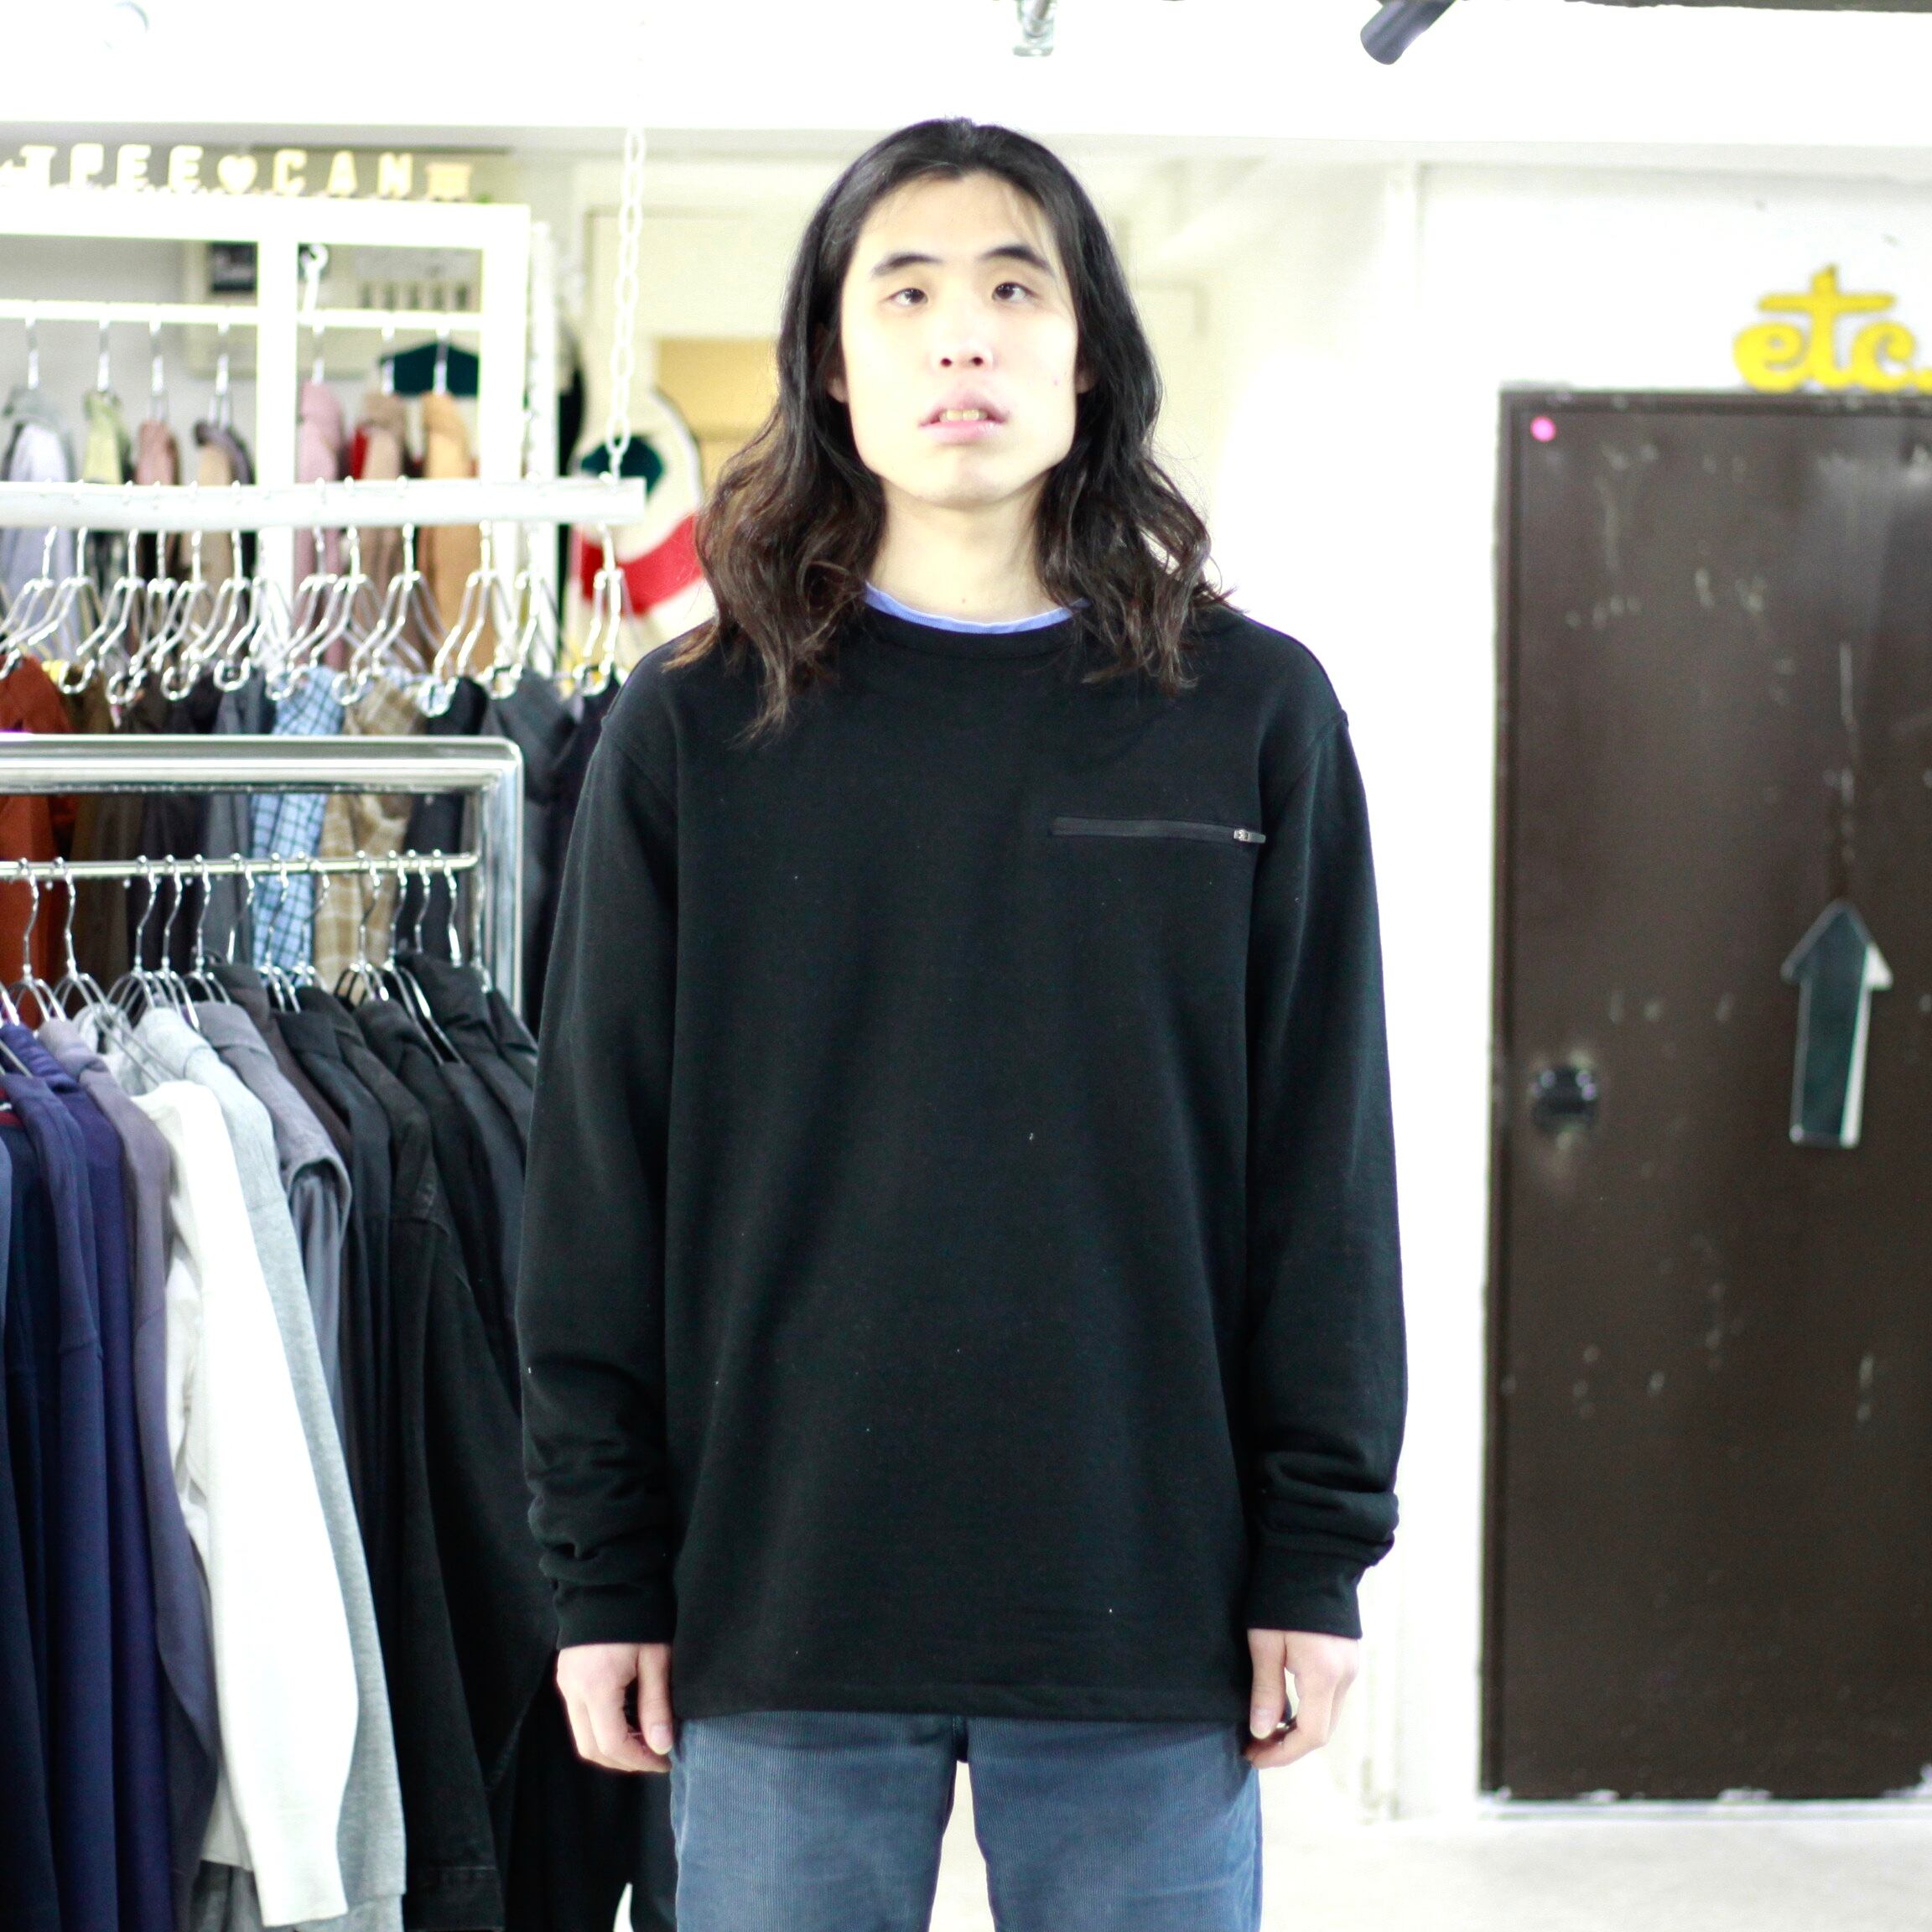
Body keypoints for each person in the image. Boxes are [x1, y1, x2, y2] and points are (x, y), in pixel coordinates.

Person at [517, 117, 1407, 1932]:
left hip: (1147, 1597)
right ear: (834, 366)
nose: (963, 339)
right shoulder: (694, 732)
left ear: (1090, 355)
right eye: (906, 294)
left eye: (1015, 290)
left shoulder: (1251, 715)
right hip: (783, 1597)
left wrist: (1316, 1548)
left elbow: (1325, 1165)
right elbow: (600, 1172)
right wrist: (603, 1566)